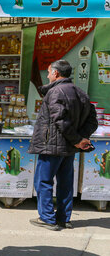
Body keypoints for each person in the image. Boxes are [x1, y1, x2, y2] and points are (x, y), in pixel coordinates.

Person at [28, 60, 98, 231]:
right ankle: (64, 219)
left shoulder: (55, 92)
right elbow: (92, 121)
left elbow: (60, 120)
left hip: (52, 146)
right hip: (68, 147)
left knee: (43, 182)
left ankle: (47, 218)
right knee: (66, 183)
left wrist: (77, 139)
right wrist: (81, 138)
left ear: (56, 74)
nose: (48, 74)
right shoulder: (80, 92)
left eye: (49, 71)